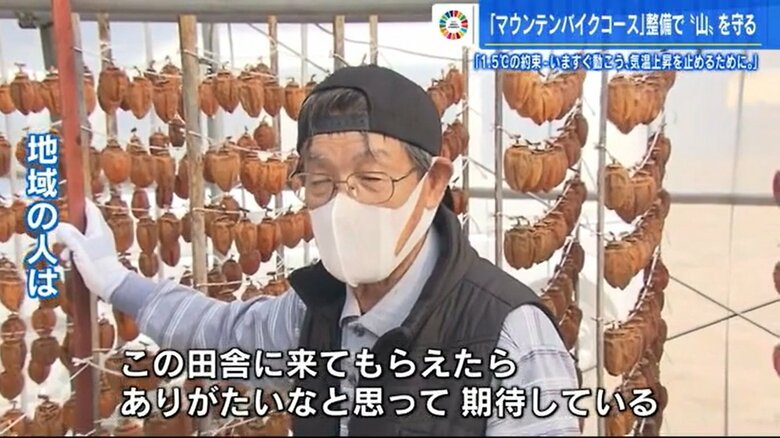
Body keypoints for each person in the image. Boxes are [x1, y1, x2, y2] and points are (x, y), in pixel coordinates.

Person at [55, 65, 581, 436]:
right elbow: (219, 335)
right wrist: (115, 282)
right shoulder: (315, 312)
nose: (342, 204)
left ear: (433, 184)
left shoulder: (507, 335)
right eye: (320, 180)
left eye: (371, 178)